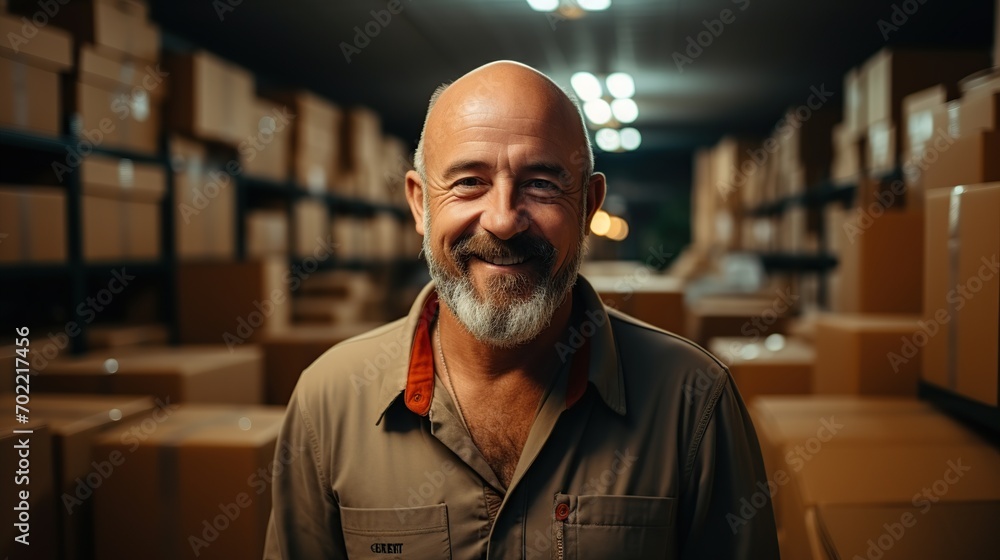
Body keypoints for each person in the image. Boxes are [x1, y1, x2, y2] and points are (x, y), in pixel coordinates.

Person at [264, 60, 779, 559]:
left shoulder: (693, 399)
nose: (504, 220)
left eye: (541, 184)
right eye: (469, 182)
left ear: (588, 206)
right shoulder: (328, 401)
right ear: (420, 203)